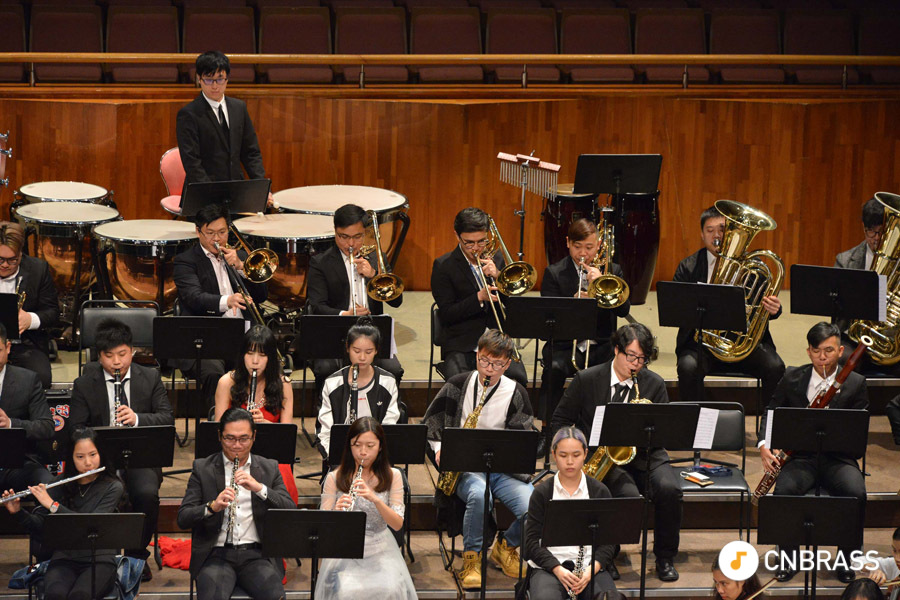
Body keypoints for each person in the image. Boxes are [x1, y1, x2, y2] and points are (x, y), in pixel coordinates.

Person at [551, 322, 682, 582]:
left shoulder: (654, 384)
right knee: (627, 495)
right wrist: (575, 450)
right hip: (604, 457)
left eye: (642, 359)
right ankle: (607, 556)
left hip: (646, 455)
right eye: (631, 356)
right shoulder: (587, 379)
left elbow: (663, 433)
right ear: (616, 350)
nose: (636, 364)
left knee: (670, 489)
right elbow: (560, 420)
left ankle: (665, 557)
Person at [758, 322, 867, 584]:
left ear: (840, 351)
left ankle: (846, 560)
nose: (822, 357)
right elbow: (771, 411)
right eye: (816, 351)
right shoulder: (792, 377)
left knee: (856, 492)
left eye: (828, 351)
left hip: (837, 458)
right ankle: (788, 559)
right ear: (808, 351)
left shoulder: (855, 383)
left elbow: (858, 433)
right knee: (784, 492)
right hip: (800, 457)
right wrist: (764, 444)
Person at [423, 329, 533, 588]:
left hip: (502, 470)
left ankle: (506, 546)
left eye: (497, 364)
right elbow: (430, 423)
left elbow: (523, 439)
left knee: (533, 504)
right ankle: (472, 558)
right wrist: (439, 448)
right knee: (480, 494)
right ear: (477, 356)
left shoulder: (516, 392)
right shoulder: (457, 384)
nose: (489, 369)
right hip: (465, 468)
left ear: (508, 364)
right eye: (484, 360)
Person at [68, 318, 174, 580]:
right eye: (109, 356)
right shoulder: (84, 383)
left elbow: (166, 418)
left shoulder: (150, 377)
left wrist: (136, 419)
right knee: (106, 492)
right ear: (99, 356)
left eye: (122, 354)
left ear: (132, 351)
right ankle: (102, 555)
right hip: (99, 460)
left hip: (141, 457)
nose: (116, 362)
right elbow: (76, 428)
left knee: (146, 494)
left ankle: (136, 556)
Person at [177, 408, 295, 600]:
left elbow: (289, 509)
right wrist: (212, 507)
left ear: (254, 436)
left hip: (256, 555)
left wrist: (260, 488)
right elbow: (183, 518)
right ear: (220, 436)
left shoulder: (269, 467)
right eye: (230, 438)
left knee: (275, 596)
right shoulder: (203, 468)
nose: (237, 445)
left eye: (243, 439)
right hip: (216, 556)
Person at [673, 205, 785, 407]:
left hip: (743, 346)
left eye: (722, 229)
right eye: (710, 230)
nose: (717, 235)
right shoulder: (688, 267)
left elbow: (764, 308)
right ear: (702, 234)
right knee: (688, 367)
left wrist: (774, 309)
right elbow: (677, 308)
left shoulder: (754, 267)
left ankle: (769, 424)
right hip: (702, 345)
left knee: (775, 366)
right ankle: (695, 423)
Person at [3, 427, 125, 600]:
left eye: (93, 454)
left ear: (101, 454)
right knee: (54, 595)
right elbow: (41, 528)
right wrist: (18, 513)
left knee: (80, 596)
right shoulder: (59, 484)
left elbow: (89, 526)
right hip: (64, 557)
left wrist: (53, 506)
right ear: (71, 458)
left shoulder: (113, 487)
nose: (88, 462)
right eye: (80, 457)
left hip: (99, 558)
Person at [173, 202, 268, 409]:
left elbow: (262, 296)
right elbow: (194, 297)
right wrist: (227, 301)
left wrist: (241, 267)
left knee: (261, 364)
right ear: (198, 231)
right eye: (210, 233)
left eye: (222, 232)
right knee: (214, 372)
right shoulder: (185, 261)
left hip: (243, 337)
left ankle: (254, 419)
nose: (217, 239)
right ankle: (218, 420)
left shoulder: (240, 257)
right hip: (205, 340)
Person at [539, 218, 630, 427]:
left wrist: (601, 287)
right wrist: (575, 304)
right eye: (577, 246)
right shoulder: (554, 273)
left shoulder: (612, 271)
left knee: (620, 367)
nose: (582, 253)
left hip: (602, 345)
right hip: (565, 345)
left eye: (589, 247)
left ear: (598, 245)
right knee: (553, 368)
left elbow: (624, 310)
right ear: (568, 243)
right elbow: (549, 322)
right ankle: (547, 428)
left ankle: (607, 428)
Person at [305, 203, 404, 391]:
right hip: (335, 335)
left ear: (365, 234)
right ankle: (325, 409)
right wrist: (346, 314)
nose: (350, 244)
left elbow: (396, 301)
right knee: (325, 369)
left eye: (357, 237)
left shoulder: (377, 258)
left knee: (393, 370)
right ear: (335, 232)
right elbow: (317, 305)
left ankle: (382, 407)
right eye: (344, 237)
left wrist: (373, 275)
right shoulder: (320, 263)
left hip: (371, 336)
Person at [316, 416, 416, 599]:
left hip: (380, 548)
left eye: (370, 446)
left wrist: (376, 500)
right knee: (347, 592)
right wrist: (335, 514)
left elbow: (397, 524)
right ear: (349, 446)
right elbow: (322, 530)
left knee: (391, 590)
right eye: (357, 445)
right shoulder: (334, 477)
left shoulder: (393, 476)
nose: (363, 452)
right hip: (345, 548)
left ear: (380, 447)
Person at [430, 207, 528, 387]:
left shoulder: (497, 258)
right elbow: (447, 314)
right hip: (461, 343)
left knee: (519, 378)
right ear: (457, 236)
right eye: (469, 243)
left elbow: (514, 304)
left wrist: (499, 276)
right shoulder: (444, 266)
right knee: (460, 383)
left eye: (481, 241)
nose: (476, 248)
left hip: (496, 341)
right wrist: (478, 298)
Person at [524, 426, 616, 599]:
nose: (570, 462)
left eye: (576, 455)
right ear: (554, 455)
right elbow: (531, 543)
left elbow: (610, 542)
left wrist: (592, 569)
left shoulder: (599, 491)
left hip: (589, 568)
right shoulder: (542, 493)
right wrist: (557, 569)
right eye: (563, 455)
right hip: (550, 569)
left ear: (585, 454)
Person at [213, 324, 297, 504]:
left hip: (271, 454)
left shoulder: (284, 385)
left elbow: (287, 436)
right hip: (235, 451)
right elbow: (217, 431)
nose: (255, 361)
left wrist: (266, 425)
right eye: (250, 353)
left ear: (271, 358)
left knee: (283, 476)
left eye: (262, 355)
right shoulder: (227, 382)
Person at [176, 50, 273, 205]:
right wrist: (213, 196)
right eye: (209, 79)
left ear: (227, 79)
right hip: (203, 196)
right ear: (199, 79)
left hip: (236, 192)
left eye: (220, 79)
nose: (215, 86)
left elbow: (251, 152)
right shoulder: (189, 114)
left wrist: (261, 187)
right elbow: (192, 163)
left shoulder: (239, 108)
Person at [318, 316, 401, 459]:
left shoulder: (388, 382)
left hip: (377, 457)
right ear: (348, 348)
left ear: (376, 351)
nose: (362, 357)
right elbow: (324, 432)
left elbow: (389, 427)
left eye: (368, 352)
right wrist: (337, 457)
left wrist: (373, 455)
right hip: (341, 456)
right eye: (356, 351)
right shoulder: (332, 383)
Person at [0, 220, 59, 389]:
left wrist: (30, 320)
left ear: (21, 254)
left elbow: (52, 312)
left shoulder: (38, 270)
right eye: (0, 259)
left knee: (41, 378)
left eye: (12, 260)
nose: (5, 265)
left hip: (25, 343)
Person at [0, 321, 54, 491]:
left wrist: (10, 424)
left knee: (48, 484)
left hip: (18, 464)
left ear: (8, 347)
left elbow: (46, 427)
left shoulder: (28, 380)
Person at [862, 527, 899, 592]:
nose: (897, 558)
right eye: (894, 550)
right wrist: (872, 567)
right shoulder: (894, 565)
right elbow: (857, 561)